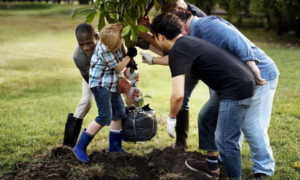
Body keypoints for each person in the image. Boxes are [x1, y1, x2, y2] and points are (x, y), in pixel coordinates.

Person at [145, 8, 280, 179]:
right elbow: (173, 59)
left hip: (237, 87)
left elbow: (178, 95)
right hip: (234, 83)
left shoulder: (189, 41)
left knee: (226, 140)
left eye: (155, 37)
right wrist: (152, 59)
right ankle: (211, 166)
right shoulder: (187, 42)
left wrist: (171, 119)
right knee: (206, 117)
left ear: (161, 37)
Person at [137, 0, 207, 149]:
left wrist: (146, 37)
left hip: (207, 63)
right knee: (184, 97)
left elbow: (177, 51)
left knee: (188, 99)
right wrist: (151, 28)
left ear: (177, 11)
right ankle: (181, 142)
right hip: (192, 57)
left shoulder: (196, 20)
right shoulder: (179, 13)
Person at [63, 23, 140, 148]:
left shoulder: (109, 37)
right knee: (87, 101)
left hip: (112, 70)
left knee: (126, 102)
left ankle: (133, 132)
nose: (86, 47)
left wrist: (130, 67)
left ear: (96, 37)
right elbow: (92, 80)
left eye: (89, 43)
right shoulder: (79, 56)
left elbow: (122, 54)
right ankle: (69, 144)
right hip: (94, 78)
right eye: (81, 44)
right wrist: (121, 87)